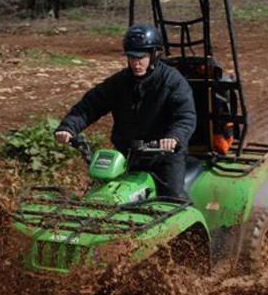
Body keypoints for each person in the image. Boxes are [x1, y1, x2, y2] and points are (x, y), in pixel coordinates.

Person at [55, 23, 196, 198]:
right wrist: (68, 127)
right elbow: (90, 105)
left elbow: (185, 116)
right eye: (131, 57)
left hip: (163, 156)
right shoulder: (119, 82)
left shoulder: (172, 81)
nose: (136, 63)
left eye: (141, 57)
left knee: (173, 198)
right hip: (127, 154)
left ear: (154, 55)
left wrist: (174, 137)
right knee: (102, 195)